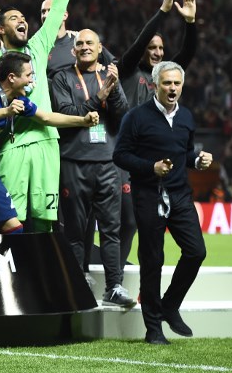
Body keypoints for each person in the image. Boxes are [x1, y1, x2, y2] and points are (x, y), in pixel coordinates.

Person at [0, 0, 77, 232]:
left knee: (45, 221)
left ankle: (42, 264)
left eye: (23, 18)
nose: (22, 20)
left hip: (46, 140)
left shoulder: (38, 47)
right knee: (10, 220)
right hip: (11, 143)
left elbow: (58, 8)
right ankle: (10, 264)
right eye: (13, 18)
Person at [0, 51, 99, 234]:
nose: (31, 80)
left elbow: (47, 118)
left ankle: (14, 255)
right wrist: (7, 111)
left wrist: (82, 121)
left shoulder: (18, 101)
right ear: (12, 77)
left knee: (14, 227)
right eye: (28, 75)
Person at [114, 61, 213, 345]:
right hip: (148, 194)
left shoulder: (187, 117)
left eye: (177, 83)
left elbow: (185, 153)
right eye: (167, 83)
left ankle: (169, 305)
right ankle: (153, 329)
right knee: (153, 260)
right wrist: (151, 167)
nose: (172, 88)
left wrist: (198, 161)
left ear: (182, 86)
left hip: (180, 195)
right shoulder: (136, 117)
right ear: (155, 85)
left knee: (196, 252)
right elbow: (120, 155)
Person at [51, 29, 134, 306]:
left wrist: (114, 88)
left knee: (111, 229)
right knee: (75, 230)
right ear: (73, 50)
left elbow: (122, 116)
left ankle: (114, 287)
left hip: (108, 163)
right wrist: (99, 96)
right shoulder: (62, 78)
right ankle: (77, 285)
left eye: (90, 43)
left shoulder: (109, 76)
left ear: (100, 48)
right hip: (74, 161)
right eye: (80, 44)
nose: (85, 47)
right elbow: (67, 114)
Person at [117, 0, 197, 268]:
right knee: (124, 221)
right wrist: (163, 11)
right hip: (125, 155)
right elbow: (140, 42)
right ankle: (111, 268)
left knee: (136, 224)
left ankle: (120, 268)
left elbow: (187, 54)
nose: (157, 52)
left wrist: (190, 23)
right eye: (152, 47)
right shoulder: (128, 69)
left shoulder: (166, 78)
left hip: (152, 161)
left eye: (161, 48)